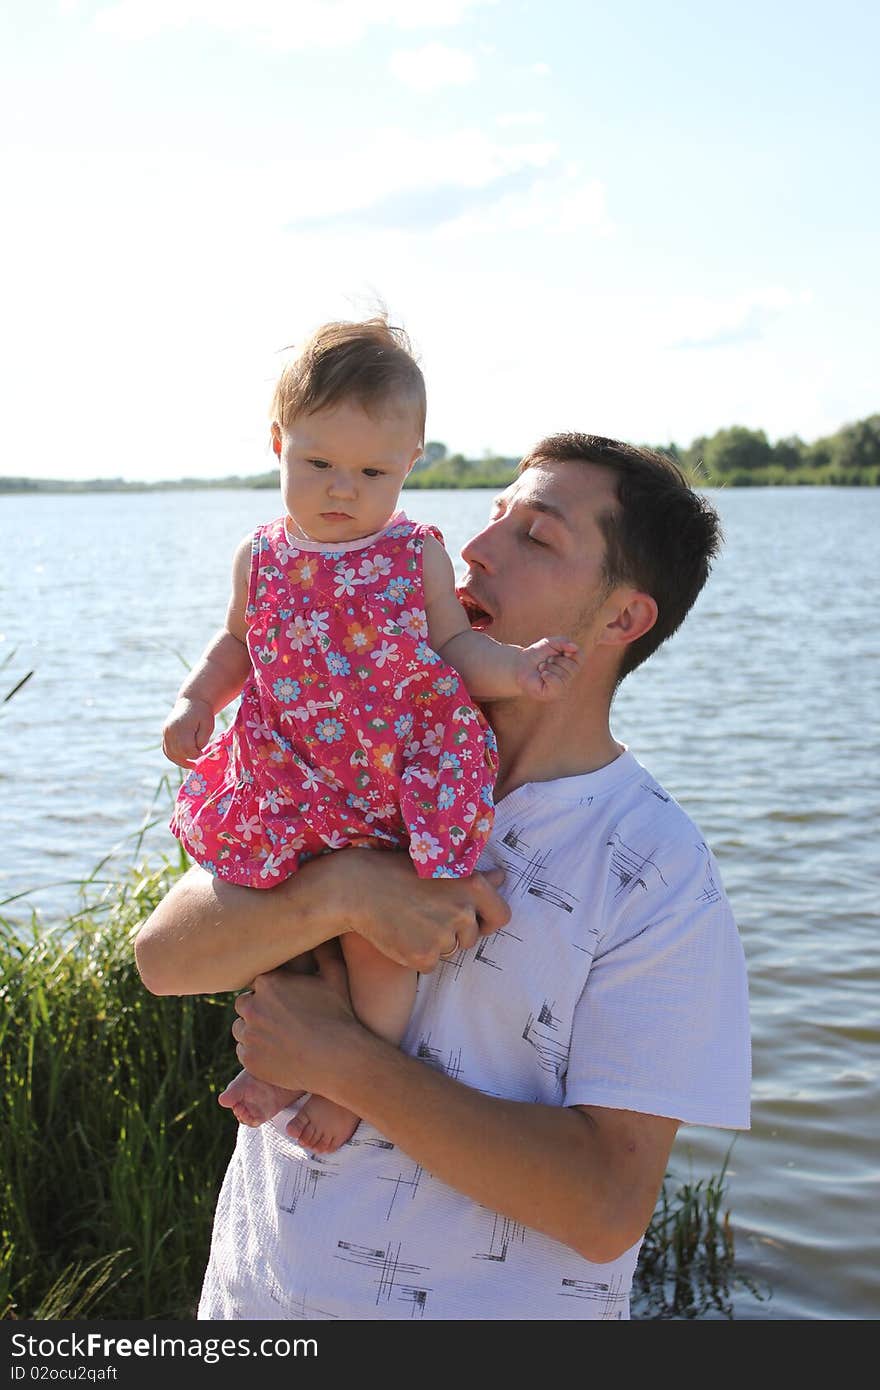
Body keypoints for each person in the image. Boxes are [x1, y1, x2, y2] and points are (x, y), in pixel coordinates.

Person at [136, 431, 751, 1322]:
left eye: (535, 537)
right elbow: (163, 959)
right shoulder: (366, 756)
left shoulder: (656, 870)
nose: (476, 546)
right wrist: (346, 888)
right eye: (495, 513)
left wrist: (342, 1064)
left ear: (624, 618)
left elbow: (608, 1206)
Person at [160, 316, 580, 1152]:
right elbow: (239, 642)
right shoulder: (263, 556)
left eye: (371, 471)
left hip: (392, 778)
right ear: (278, 441)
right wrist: (198, 701)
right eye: (317, 464)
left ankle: (354, 1079)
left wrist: (520, 669)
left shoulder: (411, 553)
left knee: (378, 943)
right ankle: (286, 1061)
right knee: (279, 921)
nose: (342, 489)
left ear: (411, 462)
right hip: (291, 776)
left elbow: (458, 649)